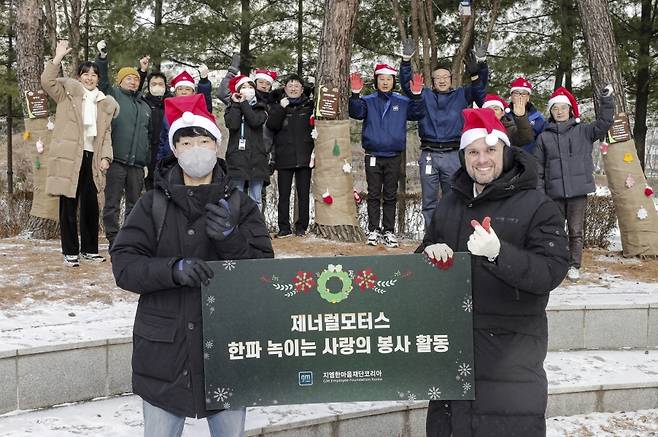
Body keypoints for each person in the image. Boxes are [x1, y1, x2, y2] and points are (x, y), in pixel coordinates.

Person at [110, 93, 274, 437]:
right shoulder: (151, 204)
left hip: (226, 350)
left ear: (216, 146)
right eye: (186, 142)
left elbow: (264, 274)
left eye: (204, 141)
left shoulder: (241, 205)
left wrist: (231, 239)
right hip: (163, 353)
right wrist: (172, 269)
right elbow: (124, 264)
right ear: (175, 150)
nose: (196, 148)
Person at [419, 108, 569, 437]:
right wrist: (427, 254)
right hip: (452, 353)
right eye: (473, 151)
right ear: (463, 156)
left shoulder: (537, 205)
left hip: (510, 361)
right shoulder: (450, 203)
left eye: (490, 150)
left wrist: (500, 253)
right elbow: (426, 252)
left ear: (505, 150)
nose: (482, 159)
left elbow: (551, 270)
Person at [41, 40, 118, 267]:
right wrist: (57, 57)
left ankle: (90, 250)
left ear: (98, 79)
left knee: (91, 205)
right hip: (69, 157)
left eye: (94, 75)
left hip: (91, 157)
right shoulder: (67, 95)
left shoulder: (104, 103)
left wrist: (106, 157)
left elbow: (106, 135)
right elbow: (46, 81)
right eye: (86, 74)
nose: (90, 78)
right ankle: (70, 251)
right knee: (68, 204)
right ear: (78, 77)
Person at [399, 38, 488, 229]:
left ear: (451, 78)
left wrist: (480, 67)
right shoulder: (425, 95)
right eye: (437, 77)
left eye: (445, 77)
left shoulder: (461, 95)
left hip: (453, 155)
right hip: (429, 154)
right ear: (433, 80)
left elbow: (480, 93)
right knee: (429, 201)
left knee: (454, 198)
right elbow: (408, 87)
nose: (441, 80)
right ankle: (431, 237)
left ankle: (452, 235)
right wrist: (406, 61)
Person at [534, 85, 614, 282]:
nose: (559, 111)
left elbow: (604, 122)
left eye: (563, 107)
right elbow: (538, 169)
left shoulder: (584, 131)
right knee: (555, 231)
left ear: (570, 110)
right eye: (555, 108)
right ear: (551, 112)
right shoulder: (544, 137)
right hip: (554, 194)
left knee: (576, 232)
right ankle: (557, 263)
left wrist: (607, 101)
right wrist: (540, 194)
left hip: (578, 193)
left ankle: (574, 265)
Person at [349, 64, 426, 247]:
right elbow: (356, 113)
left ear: (393, 82)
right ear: (376, 81)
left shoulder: (402, 101)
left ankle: (389, 231)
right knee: (374, 194)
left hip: (394, 155)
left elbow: (417, 114)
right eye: (381, 79)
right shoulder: (368, 100)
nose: (385, 82)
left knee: (391, 195)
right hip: (373, 154)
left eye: (389, 79)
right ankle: (374, 229)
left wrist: (416, 96)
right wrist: (355, 94)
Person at [95, 40, 152, 250]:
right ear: (120, 81)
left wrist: (145, 160)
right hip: (116, 161)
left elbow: (148, 134)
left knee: (135, 206)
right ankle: (112, 239)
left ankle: (130, 240)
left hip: (137, 164)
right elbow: (102, 83)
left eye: (136, 79)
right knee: (112, 204)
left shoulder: (143, 105)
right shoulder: (113, 95)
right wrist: (102, 58)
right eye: (128, 78)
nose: (133, 82)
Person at [266, 74, 315, 238]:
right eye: (290, 86)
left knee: (303, 195)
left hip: (305, 157)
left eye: (297, 86)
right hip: (284, 157)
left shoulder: (309, 106)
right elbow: (272, 125)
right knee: (284, 195)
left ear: (302, 89)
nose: (293, 88)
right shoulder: (278, 105)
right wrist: (281, 108)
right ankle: (284, 228)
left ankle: (302, 227)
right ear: (285, 89)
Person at [224, 75, 269, 210]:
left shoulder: (261, 108)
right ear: (238, 91)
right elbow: (233, 125)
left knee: (255, 198)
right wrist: (236, 105)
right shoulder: (231, 108)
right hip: (237, 157)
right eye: (244, 87)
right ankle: (236, 227)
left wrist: (244, 104)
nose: (248, 90)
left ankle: (255, 227)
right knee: (236, 197)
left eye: (251, 87)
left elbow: (255, 122)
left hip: (257, 158)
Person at [155, 68, 214, 162]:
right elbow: (163, 139)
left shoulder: (198, 108)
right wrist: (160, 160)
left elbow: (205, 100)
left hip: (194, 158)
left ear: (193, 92)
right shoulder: (168, 110)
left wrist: (204, 81)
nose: (184, 92)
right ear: (175, 92)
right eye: (180, 89)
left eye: (187, 89)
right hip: (170, 158)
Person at [139, 67, 171, 190]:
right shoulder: (143, 103)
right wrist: (142, 71)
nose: (157, 86)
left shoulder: (172, 103)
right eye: (154, 84)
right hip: (148, 157)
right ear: (148, 86)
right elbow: (135, 90)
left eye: (160, 84)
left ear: (165, 86)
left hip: (167, 157)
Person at [508, 77, 545, 154]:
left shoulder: (538, 118)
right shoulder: (503, 116)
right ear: (511, 96)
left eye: (524, 94)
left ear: (528, 97)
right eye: (516, 93)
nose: (520, 96)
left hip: (530, 159)